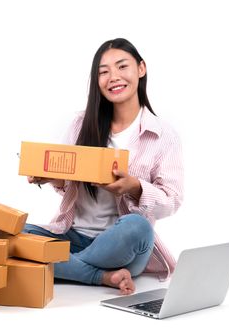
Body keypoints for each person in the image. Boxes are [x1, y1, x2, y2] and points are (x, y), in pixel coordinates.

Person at [23, 38, 184, 295]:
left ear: (141, 69)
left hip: (122, 244)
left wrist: (135, 188)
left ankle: (59, 265)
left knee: (138, 225)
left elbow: (172, 201)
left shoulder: (162, 135)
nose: (114, 77)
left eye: (122, 67)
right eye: (104, 72)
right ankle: (101, 276)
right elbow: (67, 185)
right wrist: (50, 177)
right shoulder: (81, 124)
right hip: (72, 234)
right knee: (8, 233)